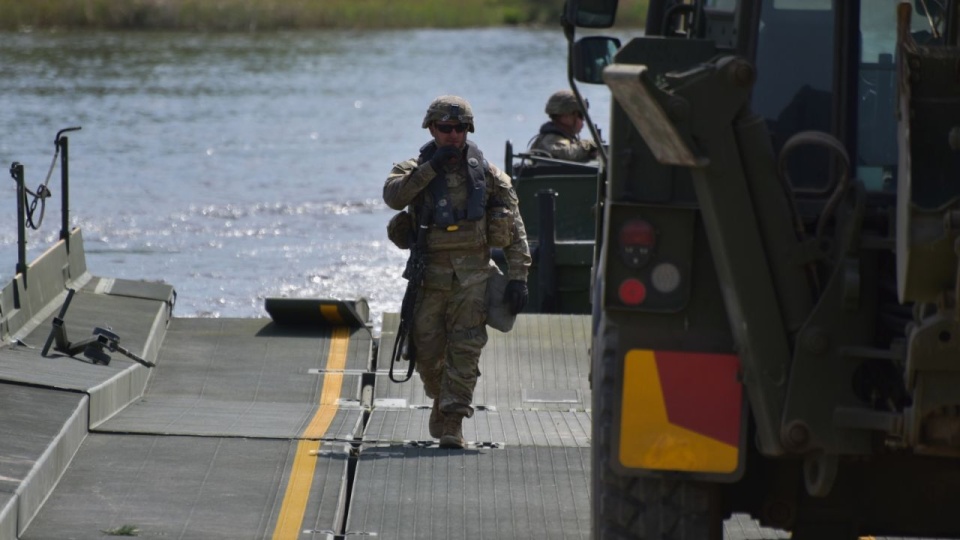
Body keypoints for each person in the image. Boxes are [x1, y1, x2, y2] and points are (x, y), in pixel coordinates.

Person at [383, 95, 532, 449]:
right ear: (432, 129)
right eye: (445, 128)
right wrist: (431, 168)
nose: (453, 135)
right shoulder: (412, 168)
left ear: (469, 130)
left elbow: (515, 226)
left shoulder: (488, 175)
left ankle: (453, 422)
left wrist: (518, 277)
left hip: (473, 277)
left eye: (460, 128)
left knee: (465, 349)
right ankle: (441, 398)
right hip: (427, 277)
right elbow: (394, 197)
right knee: (427, 350)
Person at [527, 89, 598, 162]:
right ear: (566, 116)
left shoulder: (562, 138)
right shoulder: (550, 139)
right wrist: (588, 145)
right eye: (581, 115)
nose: (583, 120)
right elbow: (565, 153)